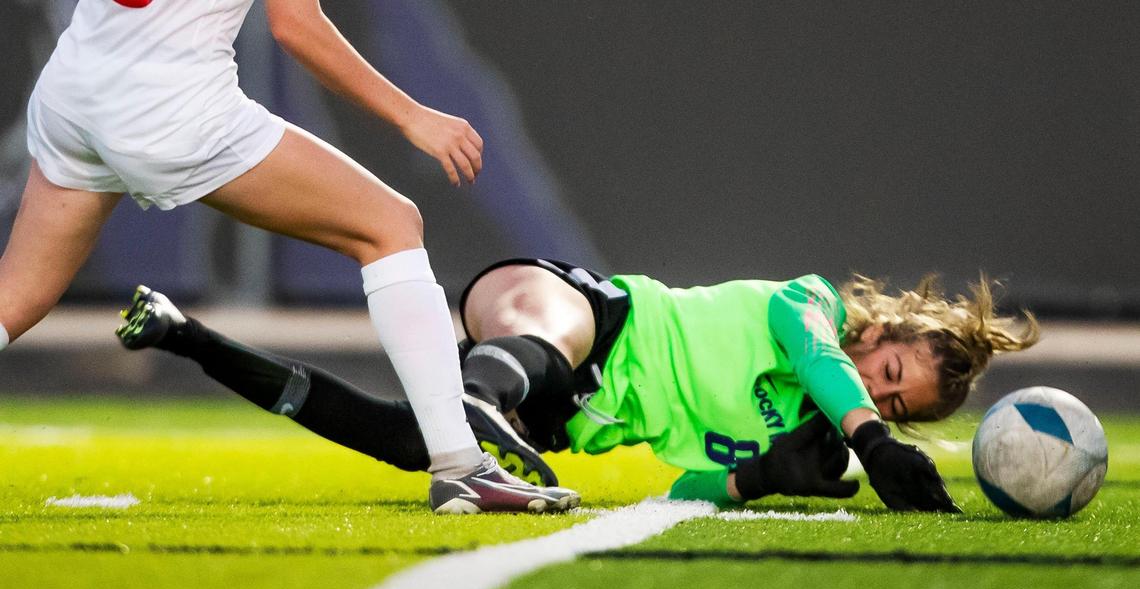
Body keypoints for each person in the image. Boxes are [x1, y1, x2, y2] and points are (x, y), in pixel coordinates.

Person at [0, 0, 576, 513]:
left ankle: (462, 464)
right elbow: (296, 26)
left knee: (15, 298)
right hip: (168, 105)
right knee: (390, 225)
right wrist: (412, 116)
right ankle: (461, 465)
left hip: (72, 95)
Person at [116, 257, 1039, 512]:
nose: (878, 395)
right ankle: (481, 402)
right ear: (876, 332)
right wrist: (870, 436)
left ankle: (184, 335)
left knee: (405, 440)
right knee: (546, 339)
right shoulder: (814, 306)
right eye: (890, 372)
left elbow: (681, 485)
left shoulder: (809, 438)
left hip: (560, 419)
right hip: (587, 312)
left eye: (896, 407)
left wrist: (759, 479)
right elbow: (812, 346)